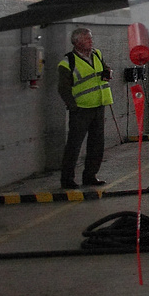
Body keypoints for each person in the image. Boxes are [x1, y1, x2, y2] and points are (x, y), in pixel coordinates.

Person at [57, 27, 112, 189]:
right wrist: (73, 106)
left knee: (97, 143)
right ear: (77, 42)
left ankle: (90, 176)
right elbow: (63, 89)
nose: (91, 41)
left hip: (99, 105)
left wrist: (107, 72)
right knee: (74, 145)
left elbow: (104, 68)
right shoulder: (67, 63)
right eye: (88, 39)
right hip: (81, 109)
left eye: (91, 38)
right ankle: (67, 179)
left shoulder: (97, 54)